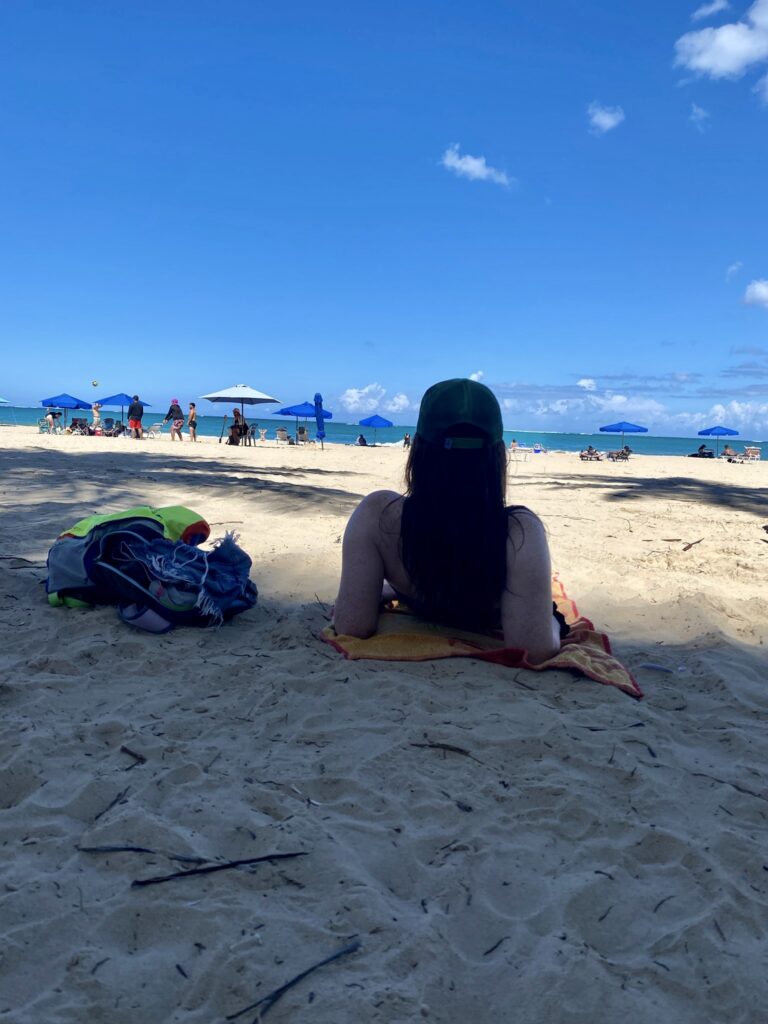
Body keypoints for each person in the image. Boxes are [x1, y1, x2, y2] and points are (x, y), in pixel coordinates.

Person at [333, 378, 566, 664]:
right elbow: (535, 648)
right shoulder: (518, 532)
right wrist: (555, 621)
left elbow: (351, 625)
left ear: (417, 449)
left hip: (421, 589)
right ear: (497, 456)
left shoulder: (378, 516)